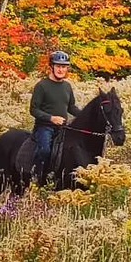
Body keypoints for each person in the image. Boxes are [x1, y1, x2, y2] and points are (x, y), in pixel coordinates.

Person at [30, 49, 77, 182]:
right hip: (44, 128)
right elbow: (34, 110)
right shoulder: (42, 86)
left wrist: (85, 115)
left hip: (63, 128)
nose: (61, 70)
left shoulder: (67, 86)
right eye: (58, 66)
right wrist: (51, 118)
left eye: (64, 67)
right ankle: (36, 177)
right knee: (45, 150)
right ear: (51, 66)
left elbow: (71, 107)